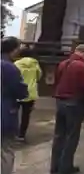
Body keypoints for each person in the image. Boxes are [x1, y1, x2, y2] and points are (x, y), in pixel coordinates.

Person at [50, 43, 84, 174]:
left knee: (59, 136)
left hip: (60, 101)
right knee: (71, 137)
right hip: (74, 103)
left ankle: (55, 166)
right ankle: (65, 167)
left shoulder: (63, 64)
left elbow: (57, 80)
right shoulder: (81, 66)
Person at [1, 37, 28, 174]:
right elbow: (21, 91)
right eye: (18, 48)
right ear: (13, 50)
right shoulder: (9, 67)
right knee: (5, 150)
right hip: (4, 113)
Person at [14, 46, 43, 142]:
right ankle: (22, 135)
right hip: (30, 93)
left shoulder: (17, 64)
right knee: (26, 115)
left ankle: (13, 132)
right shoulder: (35, 64)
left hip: (17, 91)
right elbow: (39, 76)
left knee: (14, 113)